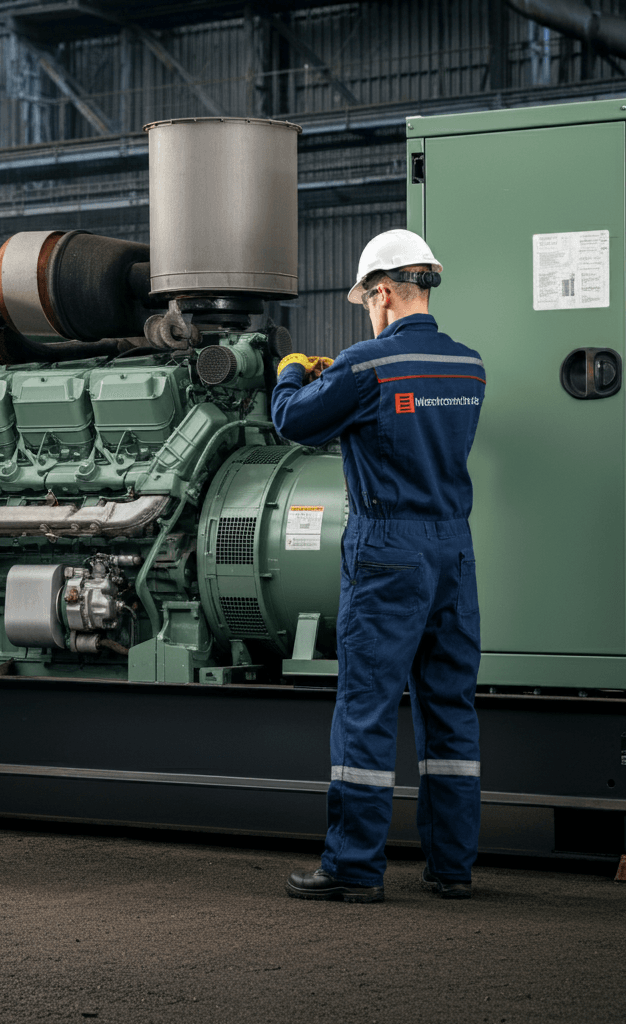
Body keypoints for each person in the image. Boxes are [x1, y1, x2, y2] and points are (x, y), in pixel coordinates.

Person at [271, 229, 485, 903]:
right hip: (453, 550)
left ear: (383, 293)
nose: (367, 309)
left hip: (387, 549)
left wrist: (295, 370)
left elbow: (293, 422)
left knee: (365, 708)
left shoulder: (366, 367)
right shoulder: (470, 367)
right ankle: (452, 867)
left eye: (367, 299)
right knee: (449, 710)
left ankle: (354, 868)